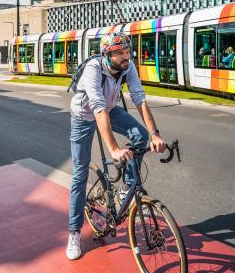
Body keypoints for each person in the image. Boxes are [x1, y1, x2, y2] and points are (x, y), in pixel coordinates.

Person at [66, 32, 166, 260]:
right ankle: (73, 232)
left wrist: (155, 134)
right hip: (84, 116)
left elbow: (140, 99)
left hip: (110, 109)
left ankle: (126, 189)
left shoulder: (128, 68)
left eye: (127, 52)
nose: (125, 57)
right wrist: (114, 150)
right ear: (107, 54)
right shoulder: (93, 69)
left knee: (140, 136)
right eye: (119, 53)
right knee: (80, 173)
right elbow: (97, 109)